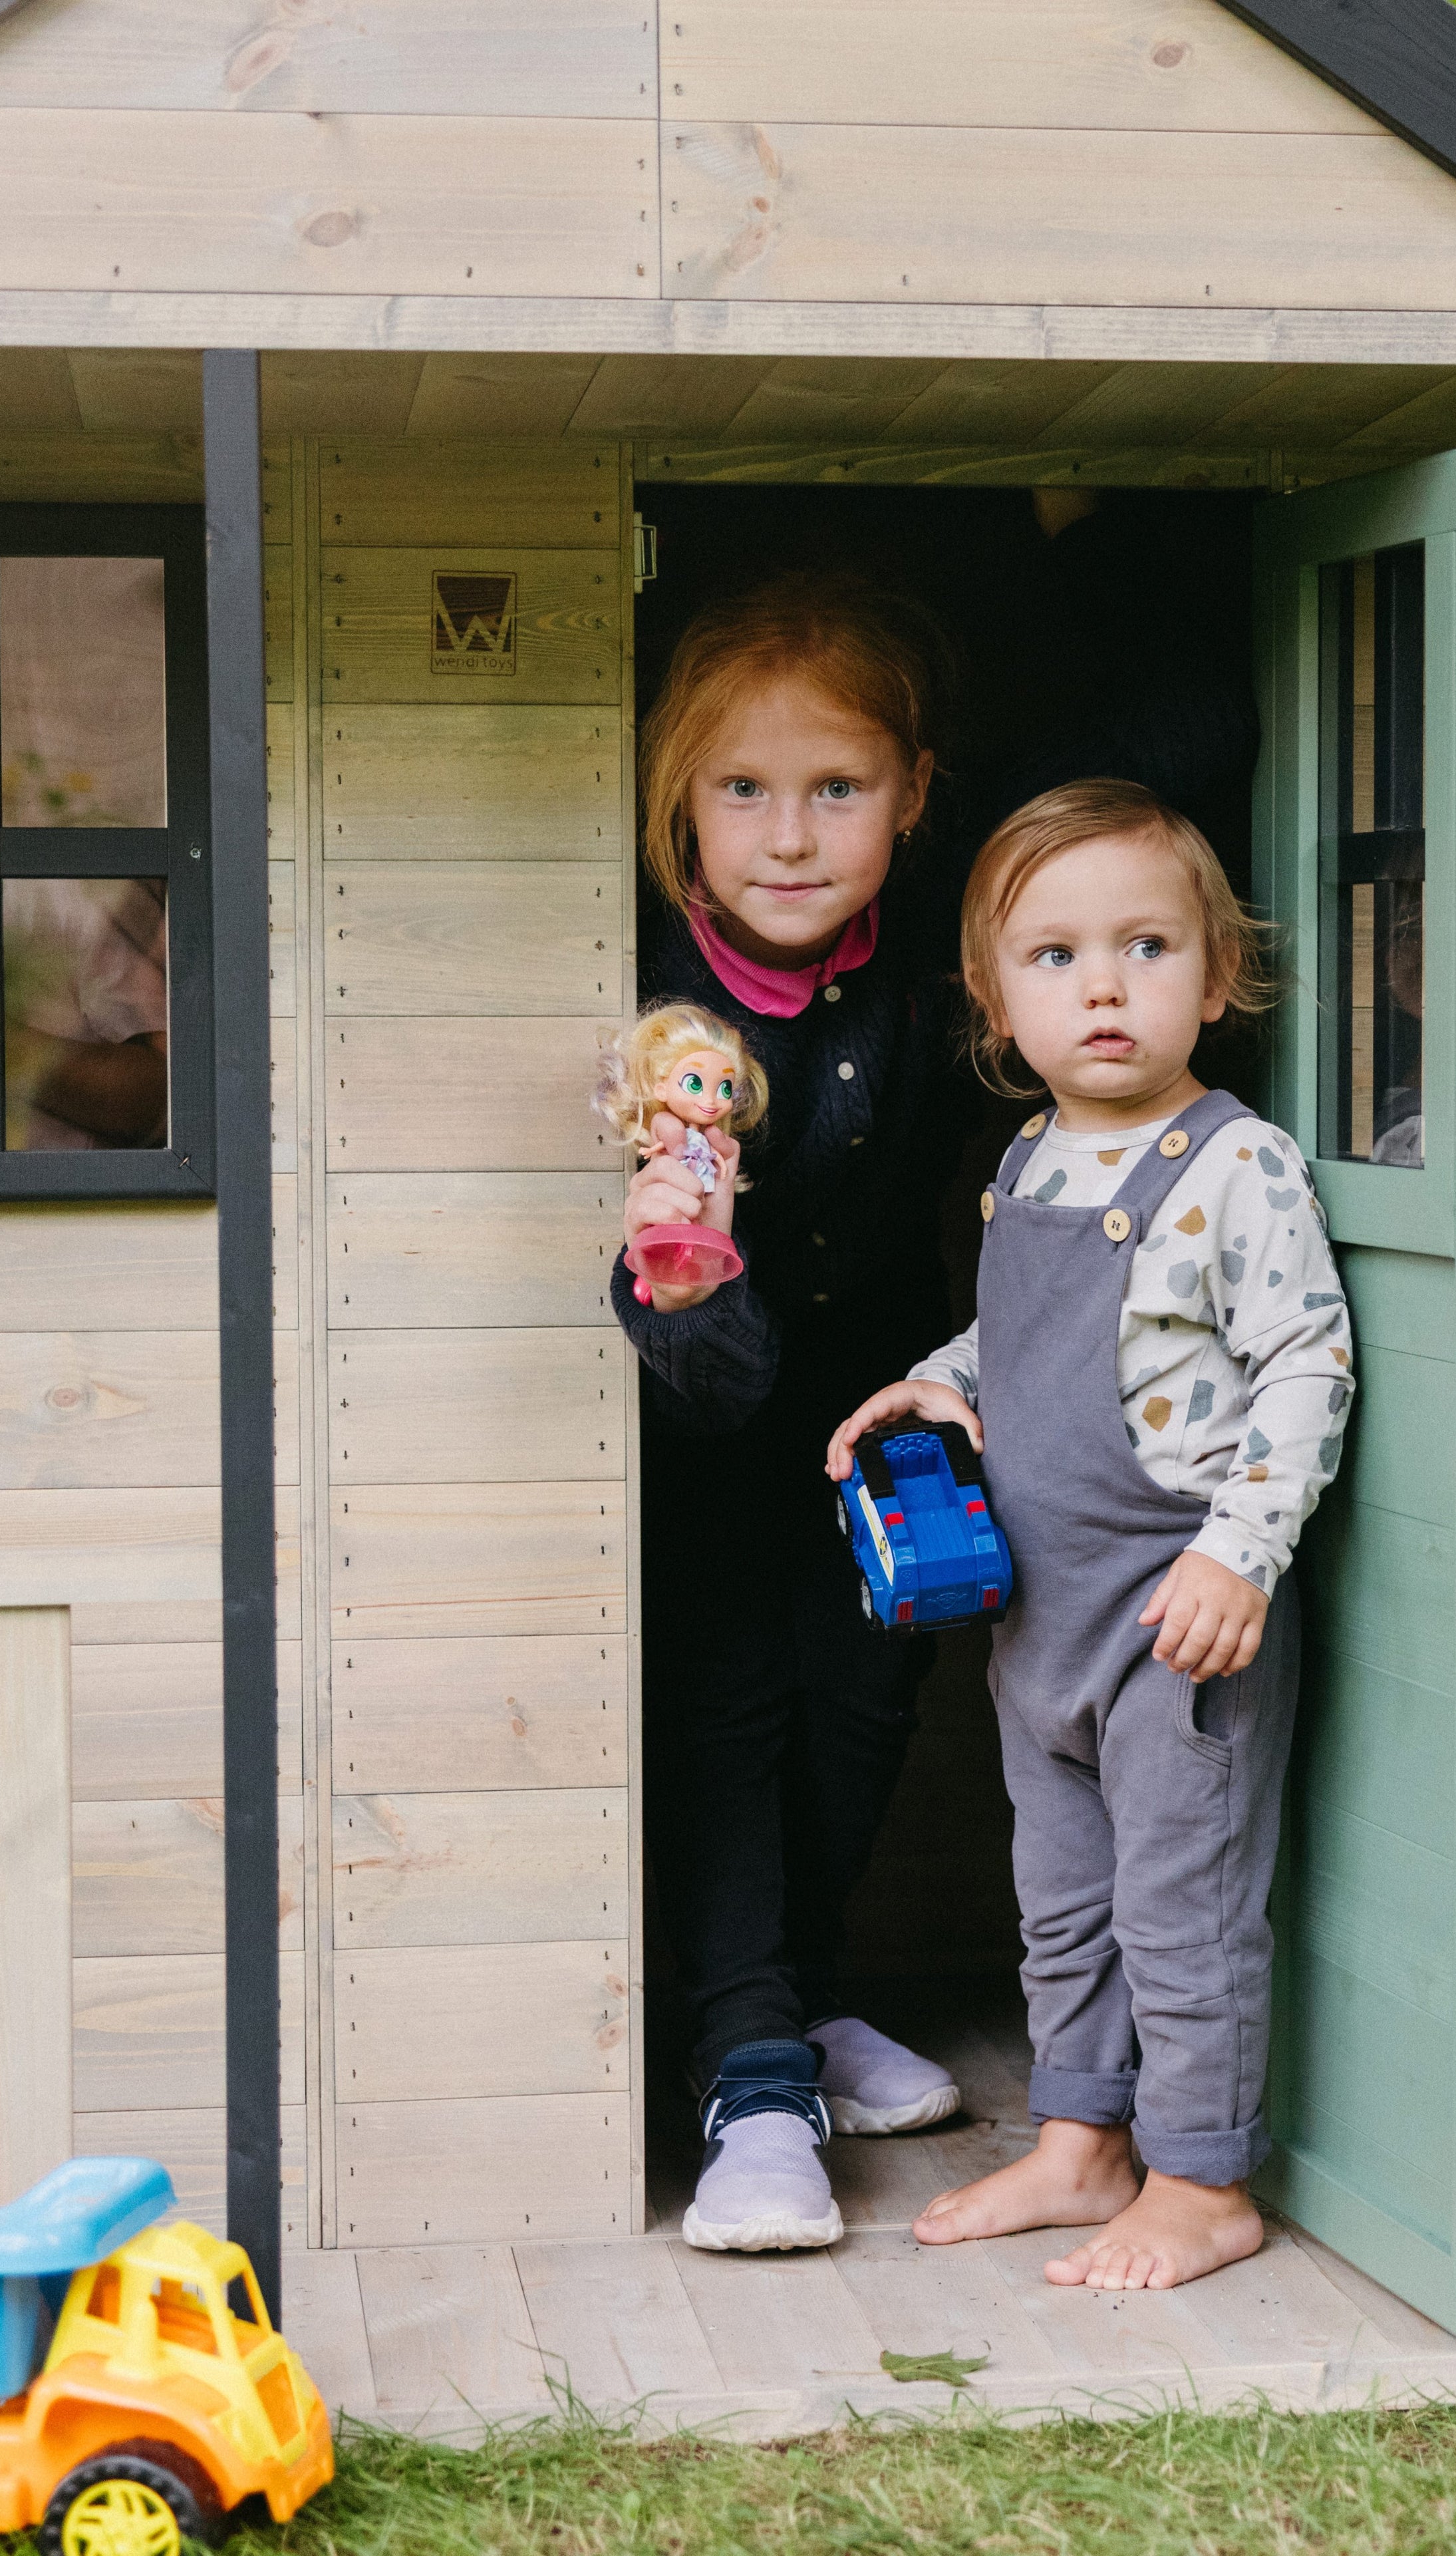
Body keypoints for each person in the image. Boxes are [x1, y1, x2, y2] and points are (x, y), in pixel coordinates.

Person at [826, 778, 1353, 2293]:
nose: (1105, 986)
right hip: (1037, 1618)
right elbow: (1025, 1340)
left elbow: (1307, 1362)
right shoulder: (1032, 1161)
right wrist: (934, 1383)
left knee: (1182, 1911)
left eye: (1147, 947)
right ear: (993, 997)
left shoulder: (1234, 1165)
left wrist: (1238, 1553)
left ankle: (1201, 2178)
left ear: (1218, 974)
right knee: (1062, 1903)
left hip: (1172, 1608)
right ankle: (1081, 2142)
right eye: (1055, 956)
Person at [610, 573, 980, 2254]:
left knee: (866, 1705)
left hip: (893, 1416)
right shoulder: (645, 988)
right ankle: (753, 2081)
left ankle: (802, 2007)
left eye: (837, 787)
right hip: (704, 1427)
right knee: (728, 1712)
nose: (789, 834)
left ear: (911, 787)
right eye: (743, 789)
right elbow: (689, 1341)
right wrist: (696, 1300)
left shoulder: (941, 977)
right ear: (676, 798)